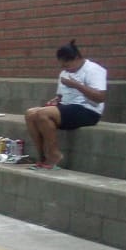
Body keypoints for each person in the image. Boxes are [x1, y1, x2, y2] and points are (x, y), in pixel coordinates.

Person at [24, 40, 107, 170]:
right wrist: (55, 100)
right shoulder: (64, 73)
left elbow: (100, 97)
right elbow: (61, 96)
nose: (65, 69)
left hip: (88, 110)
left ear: (77, 58)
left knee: (42, 114)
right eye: (62, 66)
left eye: (67, 65)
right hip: (67, 107)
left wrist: (76, 85)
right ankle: (42, 156)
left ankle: (54, 154)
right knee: (30, 114)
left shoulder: (94, 70)